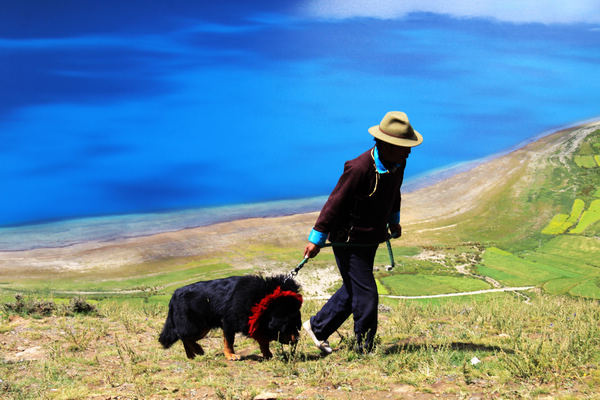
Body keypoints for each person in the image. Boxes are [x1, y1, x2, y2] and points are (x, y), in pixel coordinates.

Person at [302, 111, 423, 354]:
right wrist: (317, 238)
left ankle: (318, 328)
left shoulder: (397, 163)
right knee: (366, 294)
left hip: (371, 238)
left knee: (355, 287)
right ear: (386, 145)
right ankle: (364, 349)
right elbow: (334, 203)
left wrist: (394, 220)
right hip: (348, 240)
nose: (409, 151)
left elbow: (394, 192)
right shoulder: (358, 168)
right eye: (404, 147)